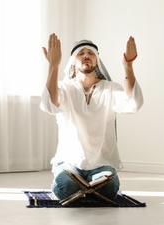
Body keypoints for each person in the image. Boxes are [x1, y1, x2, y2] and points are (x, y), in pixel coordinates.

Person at [40, 33, 144, 201]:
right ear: (73, 61)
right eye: (81, 53)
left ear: (97, 61)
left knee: (108, 188)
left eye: (91, 53)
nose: (86, 55)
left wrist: (128, 66)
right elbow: (49, 105)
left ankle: (88, 186)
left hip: (101, 165)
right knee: (66, 187)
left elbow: (132, 104)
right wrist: (53, 66)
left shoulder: (110, 88)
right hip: (69, 163)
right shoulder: (65, 88)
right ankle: (80, 186)